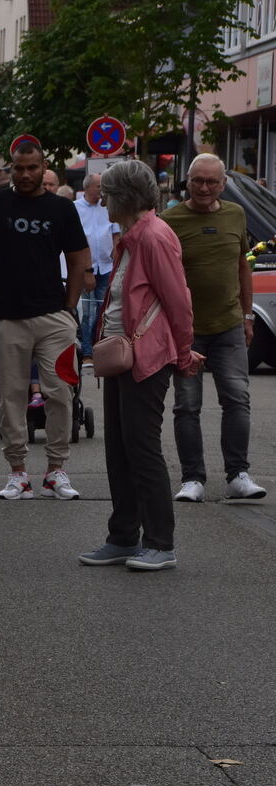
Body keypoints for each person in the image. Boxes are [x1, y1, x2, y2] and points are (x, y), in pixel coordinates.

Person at [79, 160, 204, 571]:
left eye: (109, 193)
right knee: (119, 448)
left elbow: (178, 302)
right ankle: (122, 537)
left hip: (146, 358)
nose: (103, 200)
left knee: (141, 448)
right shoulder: (135, 235)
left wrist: (183, 354)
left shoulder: (153, 236)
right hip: (125, 356)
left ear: (126, 197)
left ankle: (159, 542)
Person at [0, 141, 91, 500]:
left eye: (32, 168)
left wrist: (69, 308)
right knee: (10, 397)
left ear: (43, 167)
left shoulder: (61, 209)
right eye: (19, 169)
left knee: (60, 393)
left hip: (53, 317)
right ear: (10, 169)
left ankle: (56, 471)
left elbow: (79, 258)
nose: (25, 175)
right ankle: (18, 472)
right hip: (5, 317)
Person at [160, 153, 267, 502]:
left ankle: (238, 474)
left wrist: (247, 315)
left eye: (212, 182)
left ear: (223, 184)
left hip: (228, 325)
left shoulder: (236, 214)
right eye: (198, 181)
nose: (205, 188)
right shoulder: (170, 220)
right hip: (187, 330)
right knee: (187, 406)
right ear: (187, 181)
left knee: (237, 400)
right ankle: (193, 479)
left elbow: (243, 266)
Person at [76, 173, 121, 362]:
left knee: (104, 309)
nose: (101, 191)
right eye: (98, 187)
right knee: (87, 311)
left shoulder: (108, 207)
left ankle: (97, 345)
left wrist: (116, 256)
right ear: (87, 188)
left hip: (106, 266)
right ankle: (86, 351)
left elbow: (116, 234)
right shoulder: (75, 209)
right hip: (86, 268)